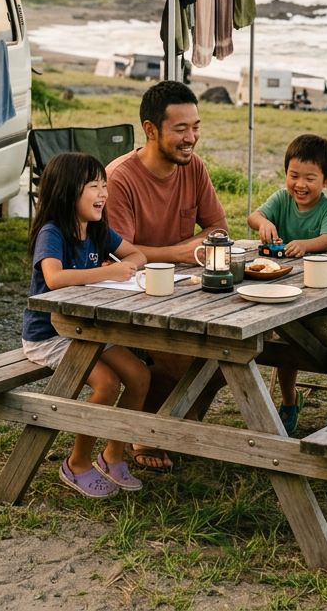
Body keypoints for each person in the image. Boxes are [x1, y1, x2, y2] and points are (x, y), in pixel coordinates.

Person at [106, 80, 229, 469]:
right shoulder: (120, 178)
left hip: (187, 289)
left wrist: (176, 255)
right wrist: (181, 253)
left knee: (232, 356)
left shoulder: (194, 167)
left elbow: (219, 229)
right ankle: (154, 433)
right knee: (185, 357)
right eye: (181, 129)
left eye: (195, 126)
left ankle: (178, 420)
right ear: (151, 129)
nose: (191, 137)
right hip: (132, 294)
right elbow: (121, 253)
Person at [22, 152, 150, 499]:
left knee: (139, 376)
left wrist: (129, 265)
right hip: (49, 335)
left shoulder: (97, 231)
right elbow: (54, 277)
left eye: (104, 185)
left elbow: (138, 255)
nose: (103, 194)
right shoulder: (53, 233)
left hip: (88, 332)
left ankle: (112, 456)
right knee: (107, 385)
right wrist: (108, 272)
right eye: (93, 186)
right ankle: (76, 464)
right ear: (67, 192)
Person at [248, 134, 327, 433]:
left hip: (320, 295)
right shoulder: (281, 199)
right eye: (294, 176)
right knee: (286, 350)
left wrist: (305, 244)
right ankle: (290, 401)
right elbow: (255, 215)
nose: (300, 184)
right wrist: (264, 223)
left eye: (310, 178)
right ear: (286, 174)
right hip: (282, 292)